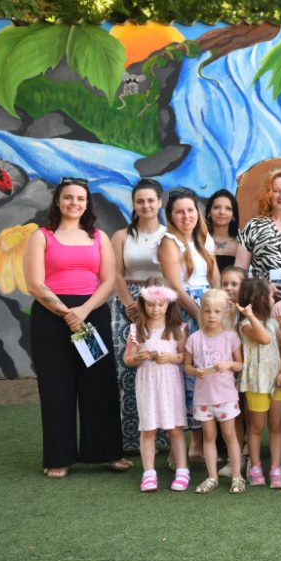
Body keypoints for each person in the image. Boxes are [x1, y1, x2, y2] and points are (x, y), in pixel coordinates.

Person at [23, 177, 128, 479]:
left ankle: (109, 452)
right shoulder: (41, 237)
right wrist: (64, 312)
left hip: (90, 316)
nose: (74, 203)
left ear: (87, 204)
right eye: (68, 197)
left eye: (80, 198)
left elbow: (108, 280)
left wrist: (82, 311)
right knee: (57, 387)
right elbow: (34, 283)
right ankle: (59, 457)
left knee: (99, 384)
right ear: (58, 201)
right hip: (50, 319)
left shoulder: (98, 237)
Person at [157, 188, 219, 461]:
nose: (186, 216)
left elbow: (214, 277)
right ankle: (178, 448)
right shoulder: (169, 242)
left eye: (190, 210)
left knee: (204, 374)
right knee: (184, 375)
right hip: (185, 311)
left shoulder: (203, 240)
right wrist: (198, 314)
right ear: (171, 215)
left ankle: (199, 443)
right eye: (180, 211)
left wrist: (216, 307)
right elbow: (174, 285)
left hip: (208, 307)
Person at [110, 178, 167, 454]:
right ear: (133, 204)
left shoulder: (168, 236)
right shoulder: (122, 236)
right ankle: (129, 437)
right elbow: (115, 274)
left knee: (160, 365)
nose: (145, 205)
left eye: (150, 200)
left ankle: (164, 437)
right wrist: (131, 303)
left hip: (160, 302)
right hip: (127, 302)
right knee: (128, 367)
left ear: (160, 202)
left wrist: (155, 304)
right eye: (140, 201)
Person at [125, 279, 188, 492]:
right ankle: (149, 472)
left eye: (160, 304)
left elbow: (183, 357)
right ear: (143, 304)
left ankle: (182, 470)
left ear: (169, 304)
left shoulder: (178, 328)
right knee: (148, 429)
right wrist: (138, 357)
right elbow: (128, 359)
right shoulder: (136, 329)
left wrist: (170, 357)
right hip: (148, 385)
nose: (156, 309)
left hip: (170, 383)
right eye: (151, 304)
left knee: (175, 428)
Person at [184, 289, 245, 494]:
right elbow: (187, 367)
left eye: (216, 311)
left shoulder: (230, 336)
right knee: (208, 436)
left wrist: (228, 363)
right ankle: (212, 477)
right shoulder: (194, 338)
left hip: (225, 396)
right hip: (203, 397)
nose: (211, 315)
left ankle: (237, 476)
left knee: (230, 435)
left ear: (225, 313)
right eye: (207, 311)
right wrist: (196, 371)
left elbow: (240, 364)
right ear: (202, 312)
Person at [237, 277, 281, 489]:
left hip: (277, 380)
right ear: (259, 299)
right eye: (269, 295)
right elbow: (265, 339)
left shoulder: (274, 322)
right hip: (257, 382)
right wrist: (249, 315)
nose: (273, 298)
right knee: (256, 427)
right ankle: (255, 465)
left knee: (276, 426)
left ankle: (275, 467)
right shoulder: (245, 324)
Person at [206, 189, 240, 271]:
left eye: (228, 208)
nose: (222, 212)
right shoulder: (199, 240)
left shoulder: (241, 244)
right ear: (209, 213)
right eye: (216, 207)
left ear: (233, 215)